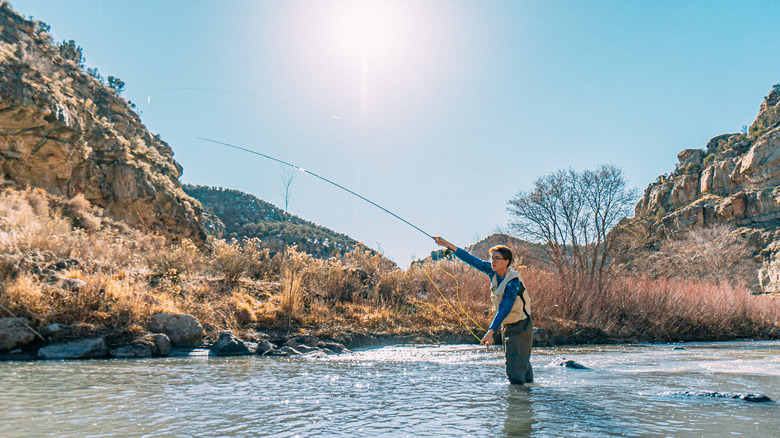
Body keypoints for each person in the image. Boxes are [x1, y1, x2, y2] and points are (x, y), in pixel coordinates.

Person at [433, 236, 533, 385]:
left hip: (521, 325)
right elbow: (470, 259)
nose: (493, 261)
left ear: (506, 262)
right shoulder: (491, 271)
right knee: (519, 361)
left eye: (497, 258)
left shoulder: (513, 282)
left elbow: (505, 307)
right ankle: (530, 392)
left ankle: (518, 400)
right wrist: (447, 244)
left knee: (514, 366)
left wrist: (491, 331)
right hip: (507, 325)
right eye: (492, 258)